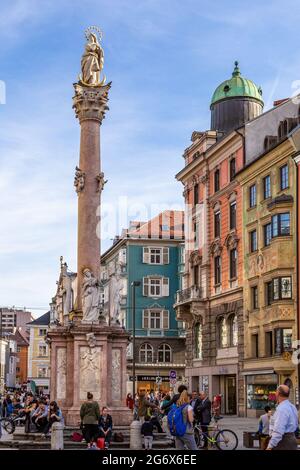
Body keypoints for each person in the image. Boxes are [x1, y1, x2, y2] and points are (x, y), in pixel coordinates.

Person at [266, 385, 299, 450]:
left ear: (278, 393)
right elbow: (296, 424)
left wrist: (270, 446)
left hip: (283, 443)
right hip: (292, 439)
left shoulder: (282, 409)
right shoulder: (292, 407)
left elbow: (278, 431)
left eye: (276, 391)